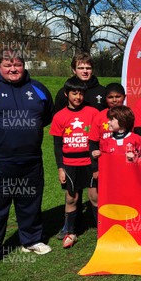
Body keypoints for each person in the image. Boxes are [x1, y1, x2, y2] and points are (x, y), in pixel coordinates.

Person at [0, 50, 54, 271]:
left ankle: (31, 240)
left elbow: (46, 116)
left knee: (29, 203)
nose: (13, 69)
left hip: (30, 161)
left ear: (24, 65)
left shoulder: (38, 88)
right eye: (8, 65)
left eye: (17, 64)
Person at [50, 78, 99, 249]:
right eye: (74, 93)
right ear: (66, 94)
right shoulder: (59, 116)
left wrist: (97, 163)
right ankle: (70, 232)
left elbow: (97, 138)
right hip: (70, 164)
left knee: (95, 196)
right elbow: (57, 145)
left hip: (90, 162)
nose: (78, 96)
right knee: (72, 197)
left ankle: (103, 231)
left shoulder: (93, 113)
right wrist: (60, 168)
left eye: (81, 93)